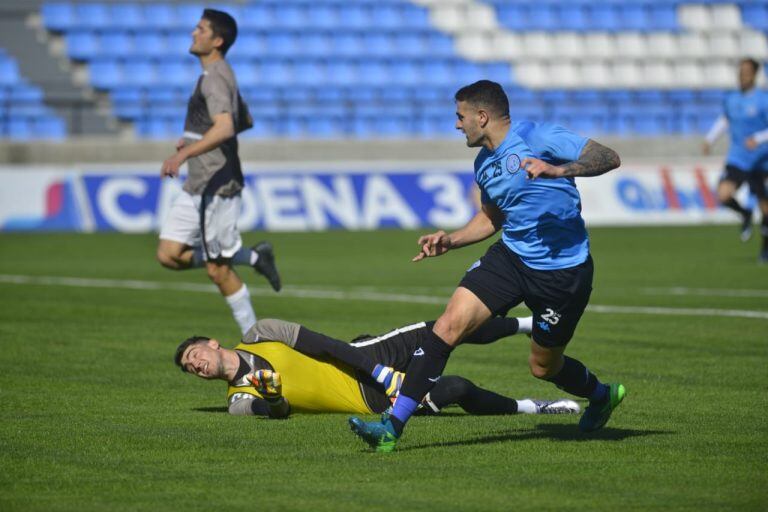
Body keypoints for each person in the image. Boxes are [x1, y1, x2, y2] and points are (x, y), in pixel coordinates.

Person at [349, 80, 624, 452]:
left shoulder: (539, 135)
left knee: (544, 367)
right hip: (511, 258)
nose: (457, 125)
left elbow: (608, 157)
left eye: (460, 117)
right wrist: (451, 240)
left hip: (564, 273)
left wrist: (561, 170)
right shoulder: (484, 165)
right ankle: (391, 428)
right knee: (447, 327)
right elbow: (493, 218)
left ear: (482, 116)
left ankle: (601, 395)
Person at [174, 316, 581, 418]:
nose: (198, 366)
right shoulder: (239, 398)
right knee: (457, 388)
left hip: (367, 357)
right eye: (192, 370)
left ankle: (535, 322)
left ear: (211, 343)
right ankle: (535, 406)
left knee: (442, 329)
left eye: (195, 356)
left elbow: (326, 345)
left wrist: (382, 370)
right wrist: (274, 396)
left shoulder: (260, 331)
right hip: (369, 400)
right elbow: (274, 412)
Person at [156, 9, 281, 335]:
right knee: (169, 255)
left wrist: (184, 153)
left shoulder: (214, 78)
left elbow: (226, 127)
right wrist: (197, 137)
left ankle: (256, 338)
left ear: (217, 40)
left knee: (217, 269)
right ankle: (253, 258)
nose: (193, 33)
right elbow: (244, 120)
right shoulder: (218, 74)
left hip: (218, 185)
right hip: (200, 183)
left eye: (200, 29)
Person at [702, 58, 768, 262]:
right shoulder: (731, 99)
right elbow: (725, 119)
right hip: (738, 157)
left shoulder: (763, 100)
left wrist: (757, 139)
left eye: (747, 71)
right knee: (723, 194)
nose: (742, 75)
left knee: (765, 207)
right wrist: (710, 139)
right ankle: (745, 214)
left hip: (761, 159)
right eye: (741, 71)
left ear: (755, 74)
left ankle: (765, 249)